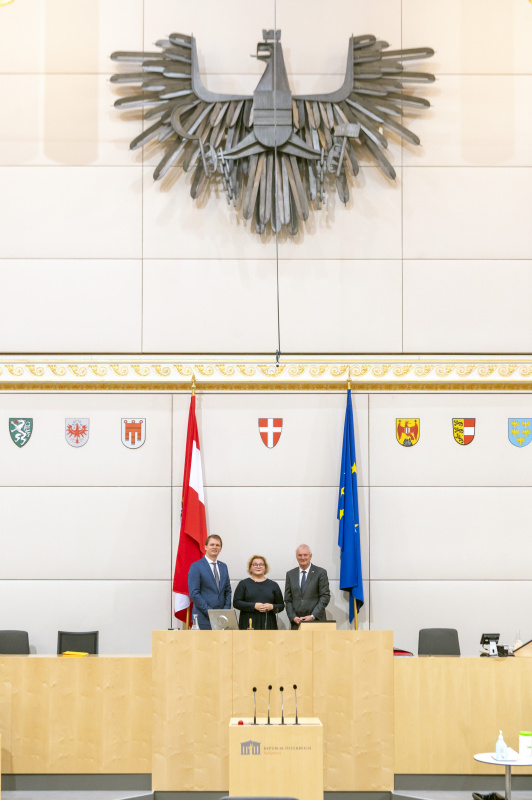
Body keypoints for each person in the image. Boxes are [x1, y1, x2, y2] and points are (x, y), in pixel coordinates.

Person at [188, 534, 231, 629]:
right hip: (203, 619)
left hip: (222, 619)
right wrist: (211, 613)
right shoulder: (196, 566)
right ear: (205, 547)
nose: (214, 547)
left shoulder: (223, 567)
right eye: (212, 544)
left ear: (220, 548)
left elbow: (228, 590)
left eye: (217, 545)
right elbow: (194, 593)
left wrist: (225, 611)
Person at [284, 544, 330, 630]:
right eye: (300, 555)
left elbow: (325, 596)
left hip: (316, 621)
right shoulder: (290, 574)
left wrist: (313, 616)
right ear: (296, 557)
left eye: (305, 555)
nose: (303, 558)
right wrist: (292, 616)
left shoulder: (320, 572)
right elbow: (288, 599)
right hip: (297, 622)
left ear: (310, 556)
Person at [233, 555, 284, 630]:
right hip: (248, 623)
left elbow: (281, 605)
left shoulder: (273, 585)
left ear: (265, 568)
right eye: (255, 564)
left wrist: (271, 607)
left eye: (261, 564)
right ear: (250, 568)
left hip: (268, 623)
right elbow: (236, 603)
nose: (258, 567)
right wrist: (254, 606)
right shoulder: (243, 584)